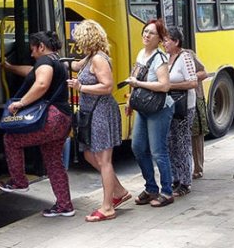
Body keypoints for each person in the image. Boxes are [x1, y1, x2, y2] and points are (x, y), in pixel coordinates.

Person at [0, 31, 75, 217]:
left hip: (50, 118)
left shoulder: (44, 62)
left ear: (41, 47)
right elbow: (31, 72)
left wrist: (21, 103)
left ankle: (19, 181)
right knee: (53, 161)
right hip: (64, 119)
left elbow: (41, 83)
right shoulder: (56, 60)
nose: (32, 54)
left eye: (33, 49)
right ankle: (65, 206)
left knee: (11, 140)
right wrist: (9, 67)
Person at [66, 20, 129, 222]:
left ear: (87, 38)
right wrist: (54, 59)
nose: (77, 42)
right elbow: (74, 65)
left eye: (79, 38)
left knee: (103, 160)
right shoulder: (89, 58)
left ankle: (108, 206)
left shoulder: (99, 60)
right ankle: (119, 191)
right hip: (92, 112)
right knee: (88, 155)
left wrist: (80, 87)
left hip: (101, 112)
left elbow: (107, 86)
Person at [126, 19, 174, 207]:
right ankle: (151, 188)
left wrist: (138, 84)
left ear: (160, 38)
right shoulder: (141, 53)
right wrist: (130, 99)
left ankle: (167, 191)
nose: (146, 35)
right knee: (137, 147)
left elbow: (165, 86)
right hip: (144, 107)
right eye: (145, 32)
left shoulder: (160, 58)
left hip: (160, 108)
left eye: (151, 33)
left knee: (158, 151)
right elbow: (134, 78)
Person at [163, 26, 198, 197]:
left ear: (176, 42)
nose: (164, 43)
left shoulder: (185, 57)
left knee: (182, 142)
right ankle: (175, 178)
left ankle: (185, 181)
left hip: (184, 106)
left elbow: (193, 82)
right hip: (169, 106)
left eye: (167, 40)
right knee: (170, 142)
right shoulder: (166, 58)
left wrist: (171, 86)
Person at [188, 49, 209, 179]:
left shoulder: (188, 54)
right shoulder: (162, 57)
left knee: (196, 134)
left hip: (194, 98)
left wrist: (188, 79)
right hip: (174, 101)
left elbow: (203, 73)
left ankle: (198, 167)